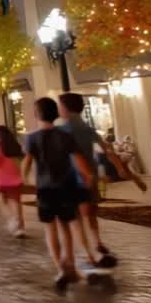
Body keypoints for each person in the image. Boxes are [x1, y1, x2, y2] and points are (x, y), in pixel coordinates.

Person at [58, 93, 140, 270]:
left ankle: (90, 254)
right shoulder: (88, 128)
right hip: (92, 174)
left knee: (76, 217)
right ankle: (96, 243)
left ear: (65, 108)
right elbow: (107, 149)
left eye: (60, 106)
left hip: (73, 177)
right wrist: (121, 168)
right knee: (91, 213)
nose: (59, 109)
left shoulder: (64, 130)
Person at [23, 97, 95, 290]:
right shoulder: (65, 136)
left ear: (37, 114)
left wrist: (25, 179)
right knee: (66, 226)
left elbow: (27, 162)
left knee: (50, 229)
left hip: (45, 189)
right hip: (66, 187)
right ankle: (69, 262)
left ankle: (60, 268)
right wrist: (88, 176)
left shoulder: (31, 138)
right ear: (55, 113)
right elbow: (78, 159)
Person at [0, 125, 26, 237]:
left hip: (3, 180)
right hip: (16, 178)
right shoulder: (15, 146)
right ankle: (21, 227)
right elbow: (20, 161)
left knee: (2, 201)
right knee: (16, 202)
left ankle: (13, 221)